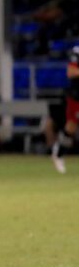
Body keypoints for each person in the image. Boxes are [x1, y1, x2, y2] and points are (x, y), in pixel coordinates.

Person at [50, 45, 79, 174]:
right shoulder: (76, 51)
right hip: (77, 96)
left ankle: (59, 152)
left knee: (71, 127)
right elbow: (71, 72)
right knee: (71, 127)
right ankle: (59, 153)